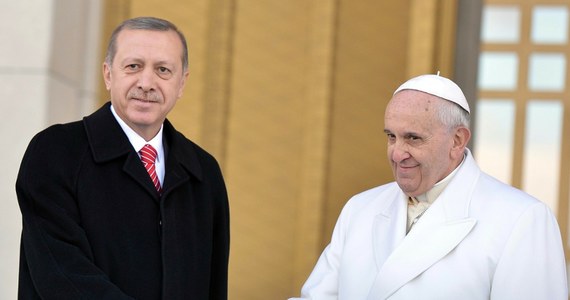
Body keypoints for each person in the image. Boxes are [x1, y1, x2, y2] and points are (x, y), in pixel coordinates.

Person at [290, 74, 568, 299]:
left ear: (457, 141)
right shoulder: (359, 208)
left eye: (413, 138)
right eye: (391, 137)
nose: (397, 153)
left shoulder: (522, 219)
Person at [16, 17, 229, 299]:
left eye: (163, 70)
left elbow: (213, 286)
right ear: (108, 74)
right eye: (133, 66)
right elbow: (61, 274)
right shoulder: (56, 152)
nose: (146, 82)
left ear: (181, 83)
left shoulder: (203, 172)